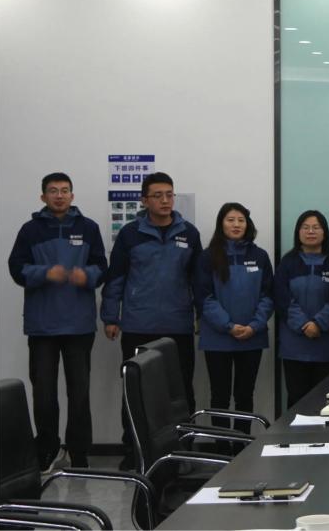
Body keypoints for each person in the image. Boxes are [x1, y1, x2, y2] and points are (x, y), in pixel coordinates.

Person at [101, 172, 202, 468]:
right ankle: (133, 451)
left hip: (177, 326)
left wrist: (200, 315)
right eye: (158, 195)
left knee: (180, 393)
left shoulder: (189, 233)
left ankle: (183, 451)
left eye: (169, 194)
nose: (165, 200)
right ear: (144, 201)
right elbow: (116, 277)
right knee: (134, 393)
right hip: (138, 325)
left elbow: (198, 280)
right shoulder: (130, 233)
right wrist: (111, 316)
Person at [8, 172, 106, 471]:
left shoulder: (88, 228)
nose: (59, 195)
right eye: (53, 191)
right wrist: (44, 273)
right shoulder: (30, 230)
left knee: (79, 393)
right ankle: (47, 449)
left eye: (65, 190)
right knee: (44, 393)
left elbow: (102, 267)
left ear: (72, 196)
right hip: (42, 326)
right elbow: (16, 268)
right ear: (43, 197)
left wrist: (86, 275)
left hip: (79, 325)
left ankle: (79, 452)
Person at [194, 203, 273, 433]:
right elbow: (204, 297)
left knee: (245, 396)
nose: (236, 224)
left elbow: (268, 295)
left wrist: (254, 326)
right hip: (217, 338)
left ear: (248, 224)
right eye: (230, 220)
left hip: (252, 337)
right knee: (219, 396)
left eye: (241, 220)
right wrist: (228, 326)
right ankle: (221, 447)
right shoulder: (208, 257)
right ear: (221, 224)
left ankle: (242, 447)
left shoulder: (259, 256)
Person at [276, 210, 329, 406]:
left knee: (324, 401)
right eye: (305, 227)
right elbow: (281, 297)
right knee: (296, 400)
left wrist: (319, 323)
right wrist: (304, 324)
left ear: (324, 232)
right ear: (298, 232)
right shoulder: (287, 263)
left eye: (316, 227)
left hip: (326, 344)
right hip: (294, 345)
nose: (310, 231)